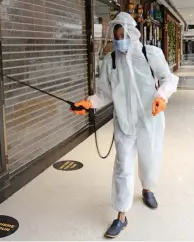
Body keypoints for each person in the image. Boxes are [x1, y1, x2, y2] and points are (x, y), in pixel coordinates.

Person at [72, 12, 178, 238]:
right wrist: (88, 103)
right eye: (117, 35)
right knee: (123, 168)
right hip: (124, 124)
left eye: (124, 34)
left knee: (150, 161)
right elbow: (104, 94)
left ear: (133, 33)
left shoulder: (150, 54)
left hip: (151, 120)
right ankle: (121, 214)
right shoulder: (109, 61)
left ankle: (147, 188)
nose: (120, 39)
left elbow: (169, 78)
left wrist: (162, 96)